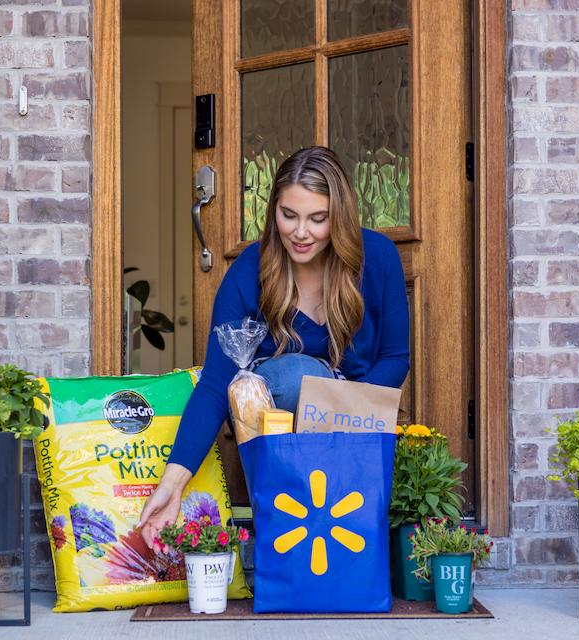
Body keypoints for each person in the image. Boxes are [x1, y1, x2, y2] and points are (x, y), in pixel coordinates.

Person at [138, 146, 410, 547]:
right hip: (273, 431)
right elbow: (216, 384)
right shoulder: (248, 272)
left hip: (353, 424)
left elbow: (394, 358)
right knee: (299, 375)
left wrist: (344, 411)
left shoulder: (378, 258)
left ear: (341, 218)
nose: (301, 232)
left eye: (318, 219)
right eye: (289, 216)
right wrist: (173, 482)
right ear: (273, 212)